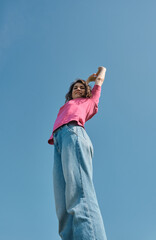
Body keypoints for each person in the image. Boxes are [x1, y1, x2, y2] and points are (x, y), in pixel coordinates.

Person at [48, 66, 107, 240]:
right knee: (63, 207)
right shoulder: (67, 104)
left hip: (74, 134)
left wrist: (95, 76)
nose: (78, 89)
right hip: (58, 141)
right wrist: (84, 82)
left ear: (87, 92)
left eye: (82, 88)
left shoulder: (90, 102)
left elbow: (100, 81)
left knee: (80, 195)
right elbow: (77, 90)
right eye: (75, 87)